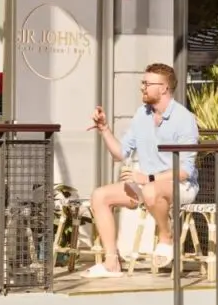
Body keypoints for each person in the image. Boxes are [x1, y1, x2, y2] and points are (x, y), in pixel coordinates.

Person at [85, 63, 200, 278]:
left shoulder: (184, 119)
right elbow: (121, 153)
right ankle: (111, 263)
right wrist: (104, 129)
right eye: (142, 83)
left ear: (164, 88)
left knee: (150, 190)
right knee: (100, 196)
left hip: (180, 186)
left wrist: (148, 178)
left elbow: (185, 170)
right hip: (146, 184)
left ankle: (166, 238)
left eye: (147, 83)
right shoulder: (142, 114)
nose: (143, 87)